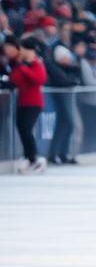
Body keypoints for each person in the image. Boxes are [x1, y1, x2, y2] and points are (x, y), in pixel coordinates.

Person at [9, 36, 48, 172]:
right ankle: (28, 156)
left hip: (34, 102)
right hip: (23, 101)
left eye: (22, 49)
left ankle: (33, 157)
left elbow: (39, 79)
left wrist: (25, 69)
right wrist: (20, 68)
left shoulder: (37, 63)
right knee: (22, 129)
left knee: (26, 129)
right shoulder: (22, 65)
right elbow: (14, 79)